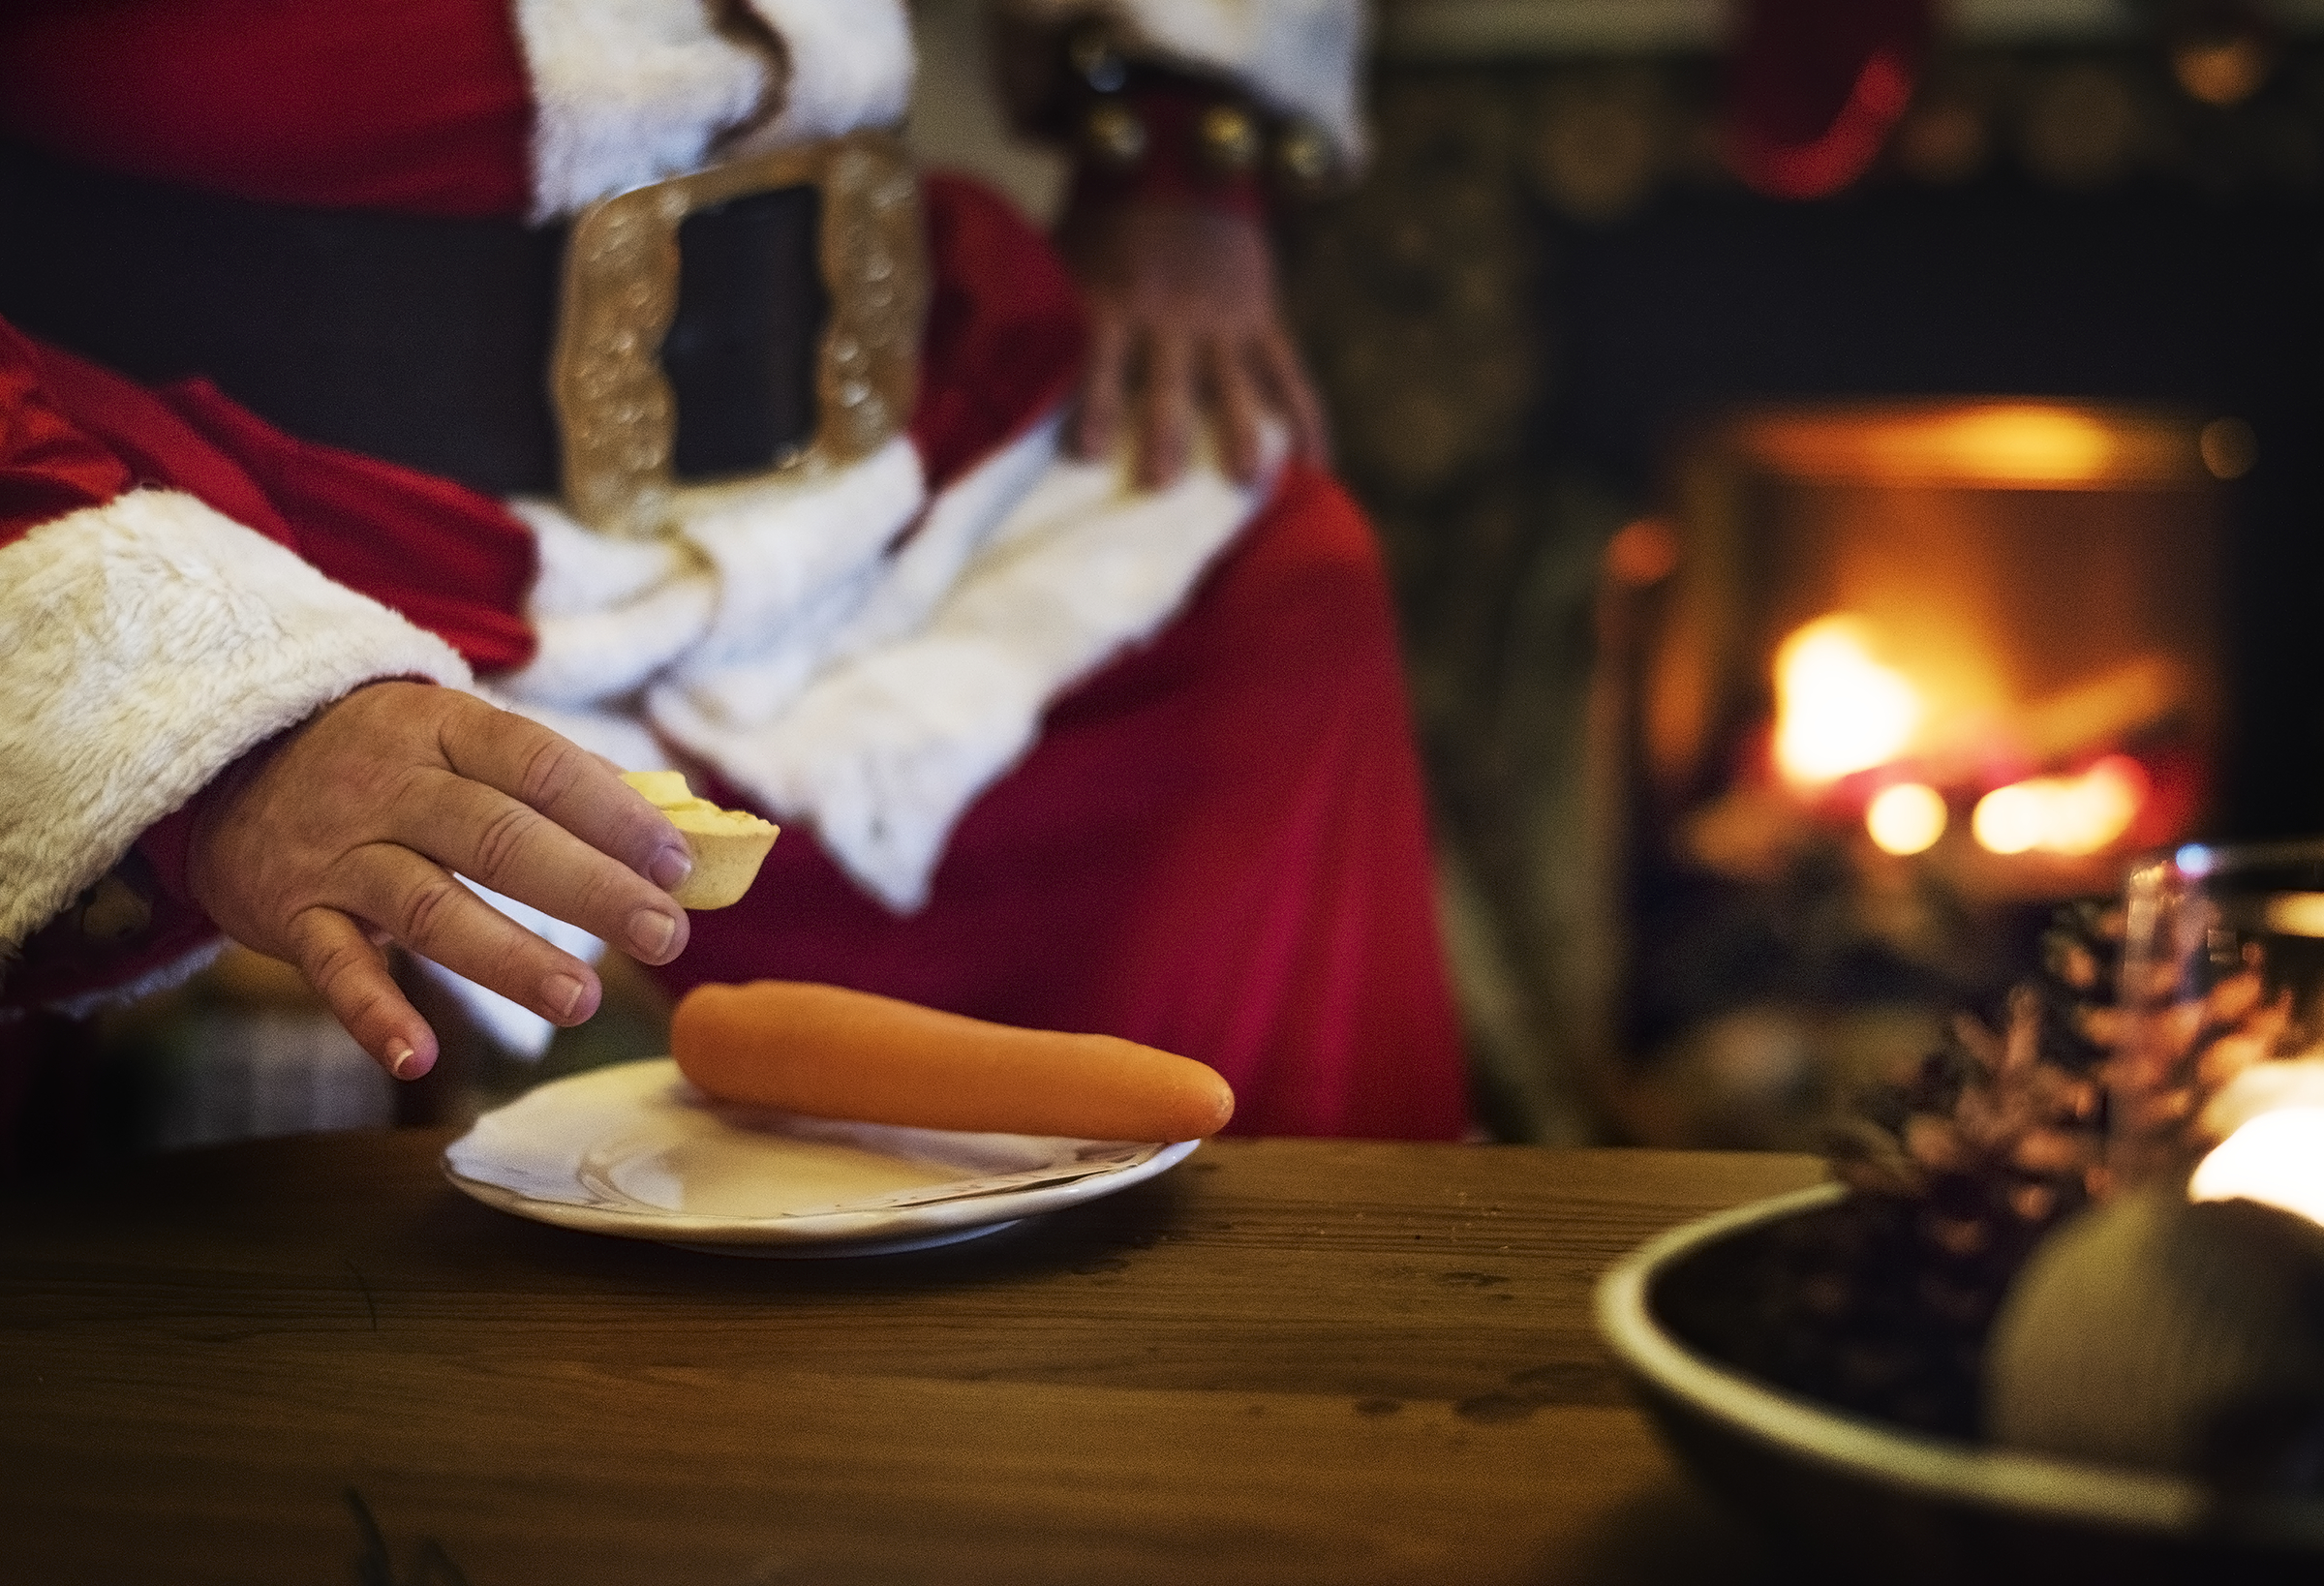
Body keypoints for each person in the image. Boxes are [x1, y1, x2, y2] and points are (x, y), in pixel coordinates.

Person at [0, 0, 1469, 1141]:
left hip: (873, 460)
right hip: (237, 519)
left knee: (1271, 600)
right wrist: (198, 719)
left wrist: (1180, 112)